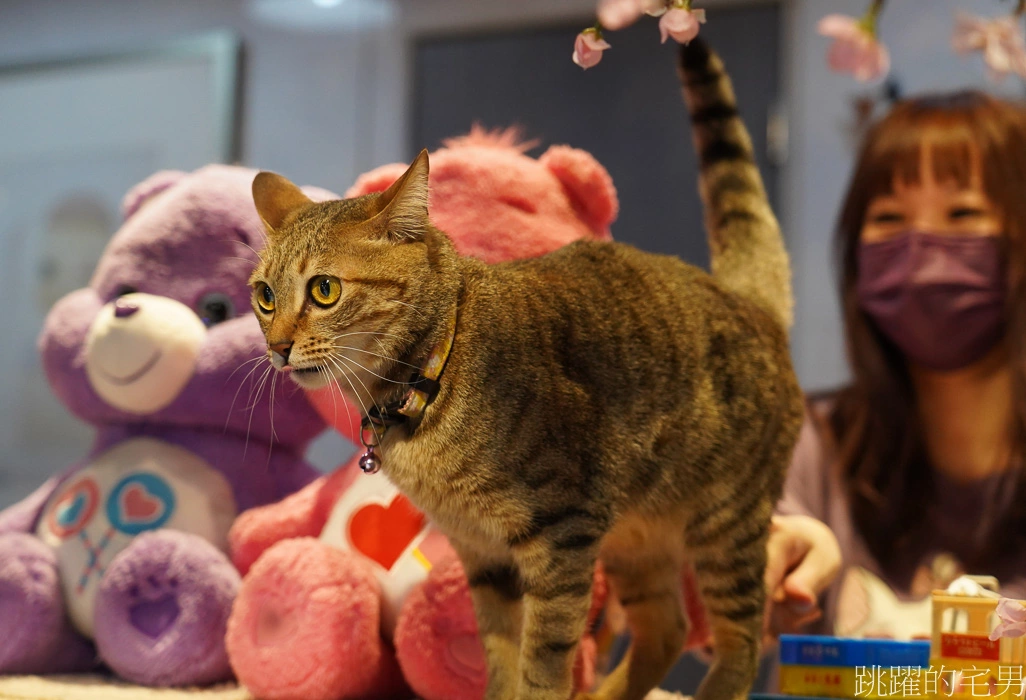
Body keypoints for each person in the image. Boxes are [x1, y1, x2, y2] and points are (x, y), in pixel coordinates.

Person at [767, 88, 1026, 642]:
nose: (921, 251)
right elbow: (751, 557)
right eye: (888, 218)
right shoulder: (809, 441)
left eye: (963, 212)